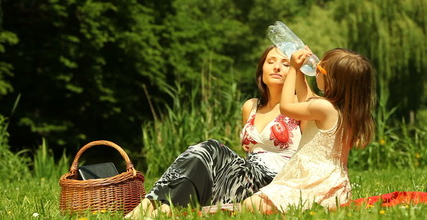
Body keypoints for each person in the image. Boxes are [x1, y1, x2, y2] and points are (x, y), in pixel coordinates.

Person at [125, 45, 303, 218]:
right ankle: (147, 207)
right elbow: (249, 153)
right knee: (198, 156)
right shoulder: (251, 106)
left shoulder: (301, 105)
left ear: (294, 70)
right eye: (270, 61)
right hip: (245, 179)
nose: (277, 67)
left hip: (273, 183)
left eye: (286, 64)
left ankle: (161, 211)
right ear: (262, 69)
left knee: (212, 147)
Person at [243, 47, 375, 214]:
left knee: (250, 205)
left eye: (320, 68)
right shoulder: (342, 111)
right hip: (331, 184)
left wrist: (293, 69)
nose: (316, 69)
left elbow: (286, 107)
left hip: (314, 183)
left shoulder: (324, 107)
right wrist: (300, 73)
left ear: (332, 79)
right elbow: (306, 97)